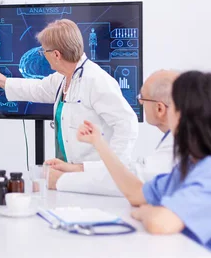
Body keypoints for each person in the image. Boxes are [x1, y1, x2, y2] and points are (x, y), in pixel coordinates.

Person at [77, 71, 211, 258]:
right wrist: (99, 143)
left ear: (186, 116)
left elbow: (161, 222)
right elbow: (136, 193)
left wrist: (146, 212)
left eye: (172, 108)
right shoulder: (193, 166)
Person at [0, 19, 138, 190]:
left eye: (43, 51)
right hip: (68, 171)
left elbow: (127, 124)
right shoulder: (64, 77)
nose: (42, 54)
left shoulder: (96, 80)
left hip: (93, 176)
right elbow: (39, 89)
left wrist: (108, 168)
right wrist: (5, 82)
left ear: (56, 55)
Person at [47, 69, 178, 195]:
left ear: (159, 109)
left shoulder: (181, 145)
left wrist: (60, 180)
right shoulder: (176, 138)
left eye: (142, 97)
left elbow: (132, 184)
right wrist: (77, 168)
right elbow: (132, 169)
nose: (140, 102)